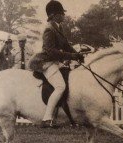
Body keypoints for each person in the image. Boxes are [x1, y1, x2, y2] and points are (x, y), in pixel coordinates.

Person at [28, 0, 84, 128]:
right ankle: (47, 118)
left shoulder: (59, 27)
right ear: (53, 15)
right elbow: (50, 51)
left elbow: (66, 45)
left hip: (54, 61)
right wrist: (72, 56)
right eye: (61, 13)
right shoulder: (49, 29)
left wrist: (78, 55)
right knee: (60, 86)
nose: (63, 16)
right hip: (45, 62)